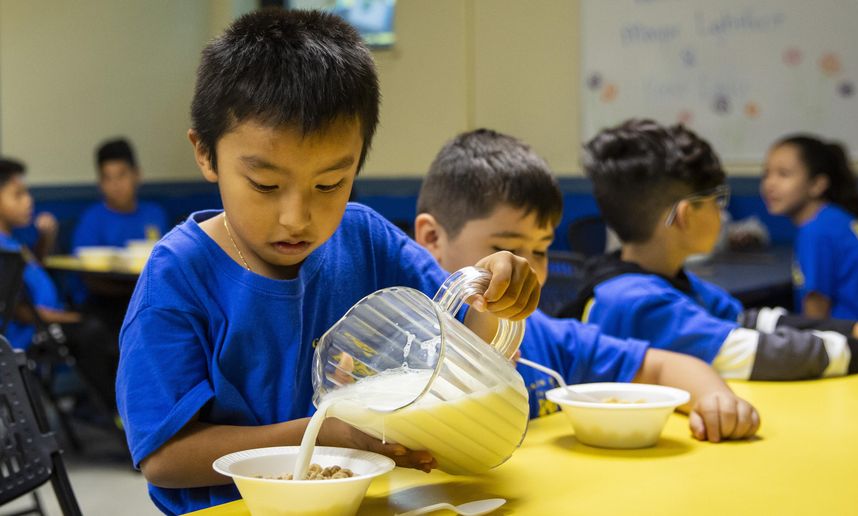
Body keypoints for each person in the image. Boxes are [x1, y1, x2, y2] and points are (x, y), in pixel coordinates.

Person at [115, 11, 540, 515]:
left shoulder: (364, 238)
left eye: (330, 184)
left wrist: (497, 295)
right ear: (205, 153)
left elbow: (468, 341)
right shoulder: (180, 277)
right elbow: (164, 456)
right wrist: (322, 438)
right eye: (266, 185)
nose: (297, 218)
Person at [414, 129, 759, 440]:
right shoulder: (412, 354)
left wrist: (717, 400)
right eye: (505, 250)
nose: (528, 269)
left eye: (539, 250)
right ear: (432, 238)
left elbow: (663, 366)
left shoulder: (547, 338)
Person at [560, 119, 858, 381]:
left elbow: (750, 321)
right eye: (717, 201)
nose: (721, 212)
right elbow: (759, 352)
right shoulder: (634, 301)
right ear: (686, 215)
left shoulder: (671, 281)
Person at [0, 158, 119, 414]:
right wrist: (70, 317)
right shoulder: (3, 251)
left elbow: (30, 271)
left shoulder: (11, 242)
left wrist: (45, 238)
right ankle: (115, 410)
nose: (28, 201)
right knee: (94, 330)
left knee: (105, 322)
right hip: (31, 333)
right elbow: (18, 310)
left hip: (44, 323)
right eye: (17, 195)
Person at [762, 135, 858, 320]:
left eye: (783, 174)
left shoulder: (816, 231)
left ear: (817, 185)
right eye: (766, 174)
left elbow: (816, 315)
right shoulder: (835, 219)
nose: (769, 184)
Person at [72, 138, 168, 249]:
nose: (115, 185)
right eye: (108, 178)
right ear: (100, 183)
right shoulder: (91, 221)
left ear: (137, 175)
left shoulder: (155, 214)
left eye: (121, 175)